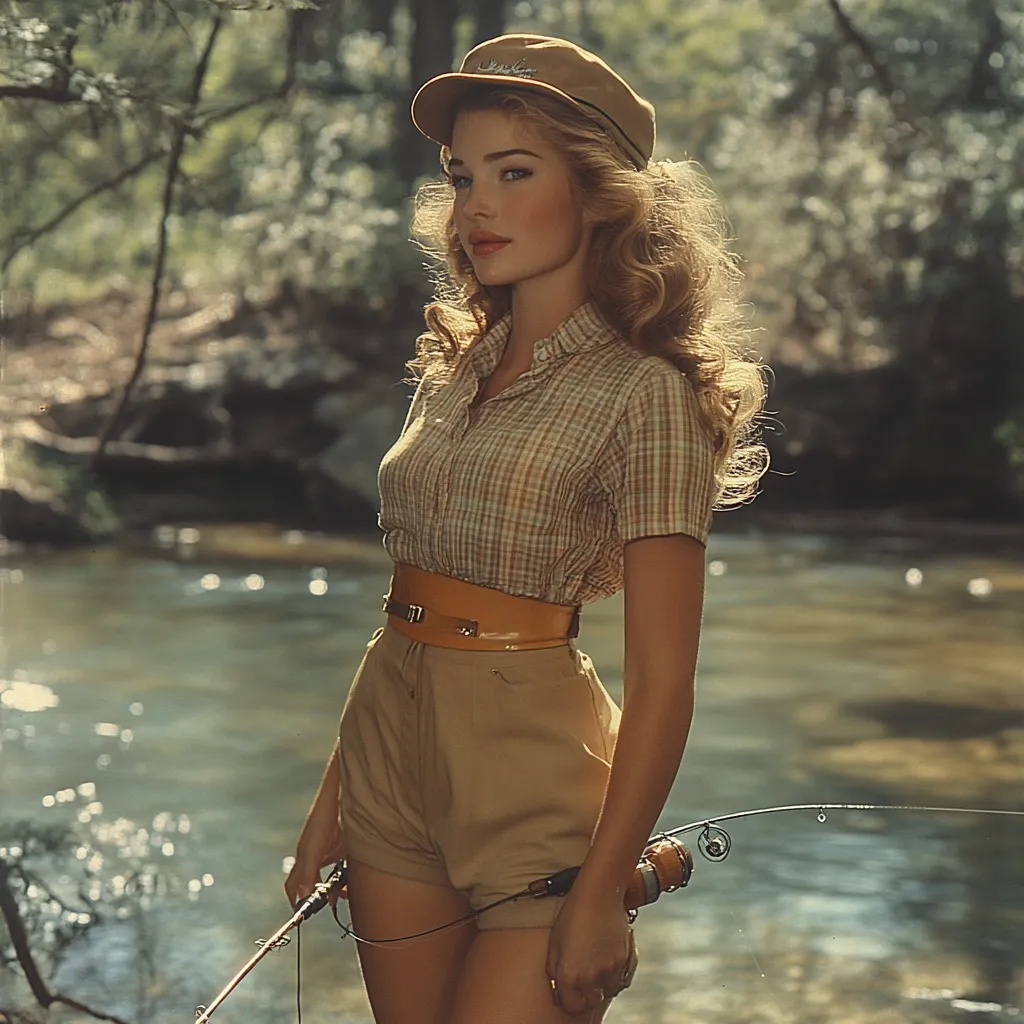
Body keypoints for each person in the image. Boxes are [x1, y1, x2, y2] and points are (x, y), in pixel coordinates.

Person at [285, 32, 768, 1024]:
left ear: (598, 193)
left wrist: (600, 893)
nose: (478, 207)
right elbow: (407, 603)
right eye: (463, 177)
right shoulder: (455, 362)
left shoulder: (649, 390)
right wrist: (335, 798)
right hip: (388, 753)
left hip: (533, 778)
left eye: (515, 172)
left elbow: (665, 675)